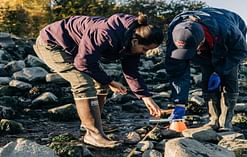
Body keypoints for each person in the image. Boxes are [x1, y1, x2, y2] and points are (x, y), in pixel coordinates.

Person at [33, 13, 163, 148]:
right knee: (82, 82)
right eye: (145, 49)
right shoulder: (104, 33)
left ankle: (93, 125)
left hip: (77, 49)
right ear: (135, 41)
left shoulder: (132, 39)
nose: (144, 53)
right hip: (51, 44)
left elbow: (131, 71)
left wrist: (145, 97)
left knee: (100, 83)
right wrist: (110, 81)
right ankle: (93, 135)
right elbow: (83, 63)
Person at [165, 7, 247, 131]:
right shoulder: (175, 34)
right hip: (206, 40)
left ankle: (225, 122)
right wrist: (179, 103)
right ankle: (213, 120)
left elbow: (240, 51)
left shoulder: (228, 29)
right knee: (207, 78)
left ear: (201, 41)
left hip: (226, 39)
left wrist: (220, 71)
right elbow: (178, 71)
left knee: (229, 76)